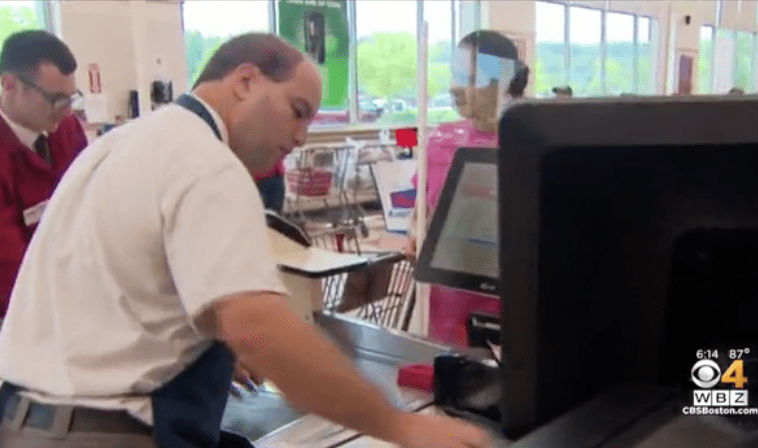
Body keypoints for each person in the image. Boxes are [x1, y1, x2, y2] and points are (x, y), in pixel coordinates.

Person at [0, 33, 492, 448]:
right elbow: (257, 328)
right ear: (245, 81)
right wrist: (399, 425)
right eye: (297, 111)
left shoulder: (122, 144)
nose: (301, 137)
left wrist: (208, 342)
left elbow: (121, 290)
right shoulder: (207, 160)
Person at [405, 30, 529, 347]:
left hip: (513, 303)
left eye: (468, 77)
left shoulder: (531, 142)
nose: (454, 87)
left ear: (500, 81)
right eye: (454, 75)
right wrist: (415, 233)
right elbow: (423, 212)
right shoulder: (440, 142)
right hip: (449, 303)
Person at [0, 30, 87, 326]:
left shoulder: (66, 128)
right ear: (9, 85)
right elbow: (9, 270)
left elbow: (88, 205)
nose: (66, 112)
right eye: (55, 99)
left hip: (68, 288)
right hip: (18, 311)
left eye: (71, 99)